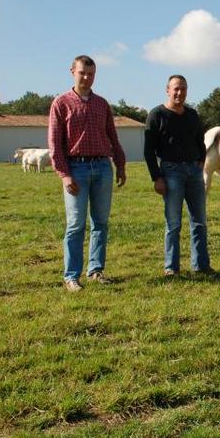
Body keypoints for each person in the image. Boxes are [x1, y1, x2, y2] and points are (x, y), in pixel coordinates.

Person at [48, 55, 127, 292]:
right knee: (76, 224)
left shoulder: (102, 104)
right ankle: (71, 275)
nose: (87, 77)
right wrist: (65, 174)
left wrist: (120, 164)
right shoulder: (61, 103)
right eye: (82, 72)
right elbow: (54, 143)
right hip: (76, 169)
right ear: (72, 71)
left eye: (91, 73)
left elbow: (112, 136)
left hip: (102, 167)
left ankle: (96, 270)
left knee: (100, 222)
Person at [144, 75, 212, 277]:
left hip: (194, 171)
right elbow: (149, 150)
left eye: (183, 89)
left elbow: (201, 141)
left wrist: (201, 161)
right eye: (176, 89)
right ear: (167, 90)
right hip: (171, 171)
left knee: (199, 221)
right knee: (173, 223)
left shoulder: (192, 115)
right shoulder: (156, 115)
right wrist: (157, 177)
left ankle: (201, 265)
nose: (179, 93)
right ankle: (171, 268)